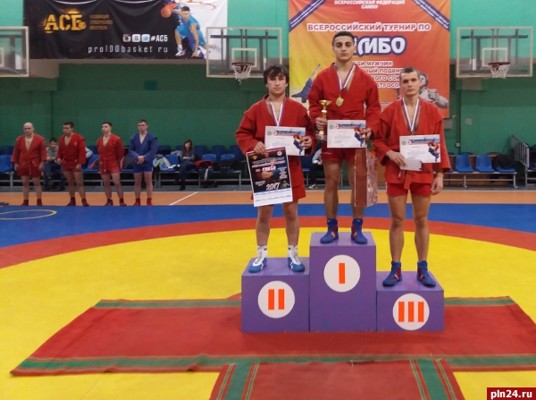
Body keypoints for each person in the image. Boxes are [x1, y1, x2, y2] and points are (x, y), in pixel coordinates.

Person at [372, 66, 451, 288]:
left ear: (420, 83)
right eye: (405, 81)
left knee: (421, 219)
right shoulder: (390, 111)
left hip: (423, 171)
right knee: (397, 220)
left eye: (413, 80)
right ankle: (395, 268)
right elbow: (377, 140)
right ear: (400, 85)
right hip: (397, 171)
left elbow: (440, 142)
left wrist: (440, 174)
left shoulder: (433, 111)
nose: (409, 84)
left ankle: (422, 268)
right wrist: (390, 153)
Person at [235, 64, 315, 273]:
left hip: (291, 165)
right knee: (264, 213)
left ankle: (293, 252)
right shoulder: (255, 110)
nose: (277, 83)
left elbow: (310, 134)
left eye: (281, 78)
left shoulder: (298, 109)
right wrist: (253, 144)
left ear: (286, 82)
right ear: (266, 83)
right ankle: (261, 253)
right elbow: (242, 134)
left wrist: (309, 141)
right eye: (273, 79)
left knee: (291, 211)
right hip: (265, 166)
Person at [308, 31, 381, 245]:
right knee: (331, 181)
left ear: (354, 48)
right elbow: (314, 104)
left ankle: (357, 227)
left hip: (356, 137)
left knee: (358, 183)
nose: (343, 48)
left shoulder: (366, 79)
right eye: (339, 44)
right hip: (332, 135)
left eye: (348, 44)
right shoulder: (322, 77)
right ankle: (331, 227)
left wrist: (370, 127)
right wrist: (316, 119)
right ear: (333, 48)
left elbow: (374, 108)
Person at [11, 122, 47, 206]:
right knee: (24, 183)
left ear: (33, 129)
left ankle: (39, 201)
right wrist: (15, 162)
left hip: (35, 163)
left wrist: (42, 162)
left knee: (37, 183)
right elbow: (16, 152)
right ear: (23, 129)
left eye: (29, 128)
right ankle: (25, 201)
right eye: (25, 128)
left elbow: (43, 152)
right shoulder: (19, 139)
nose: (27, 130)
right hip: (23, 163)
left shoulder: (40, 139)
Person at [57, 121, 89, 206]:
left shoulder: (79, 138)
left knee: (79, 182)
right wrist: (58, 158)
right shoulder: (61, 138)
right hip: (66, 163)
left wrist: (80, 163)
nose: (65, 130)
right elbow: (60, 151)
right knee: (70, 182)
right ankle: (72, 200)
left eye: (67, 128)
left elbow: (82, 152)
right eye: (64, 128)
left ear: (72, 129)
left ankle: (84, 200)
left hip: (75, 163)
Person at [129, 119, 158, 206]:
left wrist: (144, 157)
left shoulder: (152, 137)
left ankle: (149, 200)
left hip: (147, 162)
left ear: (146, 126)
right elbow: (131, 150)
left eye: (143, 125)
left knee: (148, 181)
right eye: (139, 125)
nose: (141, 127)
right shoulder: (133, 137)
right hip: (137, 162)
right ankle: (137, 200)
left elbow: (153, 150)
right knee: (137, 182)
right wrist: (137, 157)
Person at [96, 122, 126, 206]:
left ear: (110, 128)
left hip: (113, 162)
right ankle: (109, 200)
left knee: (117, 182)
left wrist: (116, 161)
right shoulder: (99, 140)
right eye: (102, 126)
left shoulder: (116, 139)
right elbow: (99, 151)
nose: (103, 128)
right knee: (106, 182)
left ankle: (121, 200)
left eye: (105, 126)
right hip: (103, 163)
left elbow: (121, 152)